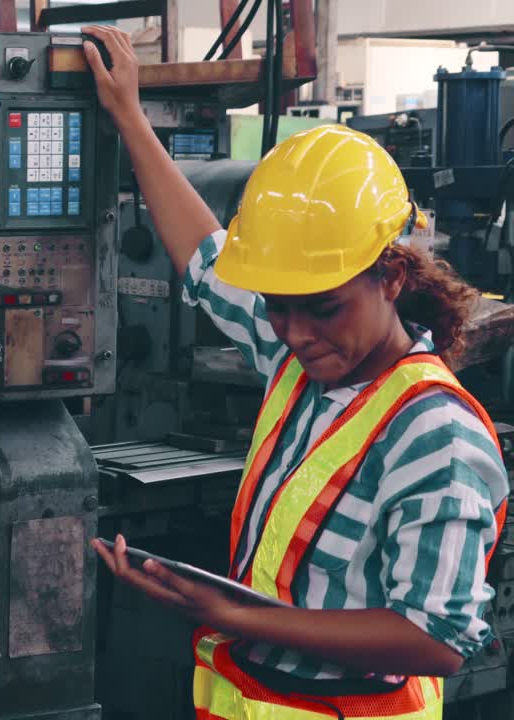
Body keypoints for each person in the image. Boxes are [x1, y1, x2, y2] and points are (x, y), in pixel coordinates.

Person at [80, 25, 510, 720]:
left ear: (391, 276)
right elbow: (204, 257)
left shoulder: (435, 433)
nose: (295, 332)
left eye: (322, 308)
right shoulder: (299, 365)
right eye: (277, 306)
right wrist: (130, 115)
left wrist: (231, 612)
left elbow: (437, 638)